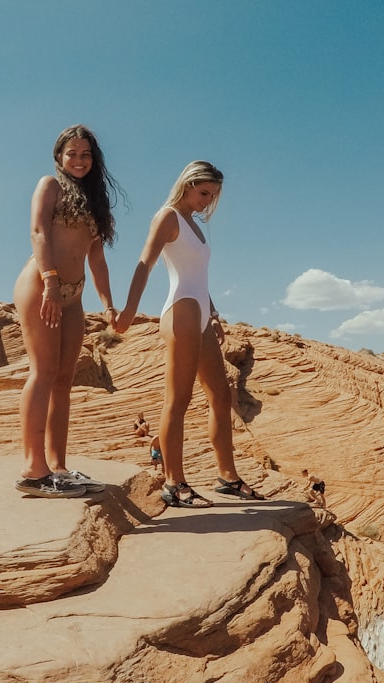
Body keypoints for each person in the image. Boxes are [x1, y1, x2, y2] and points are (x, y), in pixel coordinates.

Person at [115, 161, 262, 509]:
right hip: (179, 311)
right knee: (178, 400)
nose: (207, 202)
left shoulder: (194, 225)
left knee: (221, 396)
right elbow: (144, 263)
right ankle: (174, 483)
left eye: (213, 197)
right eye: (204, 193)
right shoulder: (168, 216)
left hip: (199, 313)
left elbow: (198, 274)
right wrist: (130, 310)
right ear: (188, 183)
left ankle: (227, 477)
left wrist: (213, 313)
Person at [13, 124, 120, 498]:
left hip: (74, 295)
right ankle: (32, 468)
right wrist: (52, 284)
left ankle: (56, 467)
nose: (79, 160)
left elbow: (97, 259)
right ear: (59, 156)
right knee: (42, 372)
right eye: (72, 153)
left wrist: (108, 305)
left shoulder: (92, 201)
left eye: (86, 154)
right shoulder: (50, 186)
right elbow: (38, 232)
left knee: (63, 379)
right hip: (42, 285)